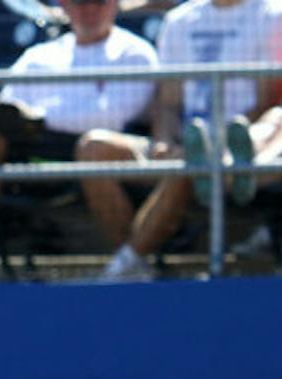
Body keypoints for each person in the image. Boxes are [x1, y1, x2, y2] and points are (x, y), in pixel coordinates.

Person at [0, 0, 158, 280]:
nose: (89, 9)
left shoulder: (135, 53)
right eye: (79, 2)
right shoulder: (40, 55)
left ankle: (131, 263)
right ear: (65, 6)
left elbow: (112, 118)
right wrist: (11, 120)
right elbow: (7, 106)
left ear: (114, 5)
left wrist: (37, 119)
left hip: (84, 152)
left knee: (77, 141)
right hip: (22, 149)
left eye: (98, 1)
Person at [101, 0, 282, 280]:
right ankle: (136, 264)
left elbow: (266, 102)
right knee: (95, 147)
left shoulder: (273, 14)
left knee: (196, 158)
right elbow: (169, 102)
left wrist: (215, 143)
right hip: (188, 142)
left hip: (237, 144)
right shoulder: (179, 20)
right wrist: (163, 141)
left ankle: (126, 263)